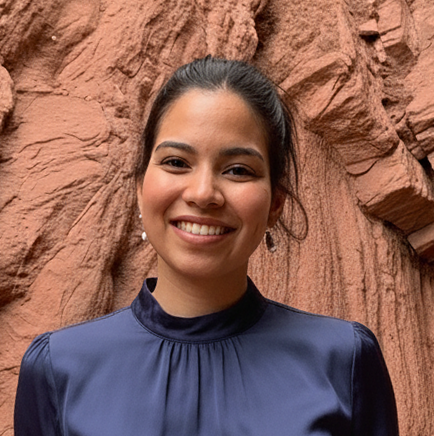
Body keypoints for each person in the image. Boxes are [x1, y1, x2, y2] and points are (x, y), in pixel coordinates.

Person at [14, 56, 399, 436]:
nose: (203, 194)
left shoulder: (343, 361)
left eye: (237, 170)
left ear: (275, 206)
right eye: (177, 162)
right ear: (139, 189)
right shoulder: (57, 368)